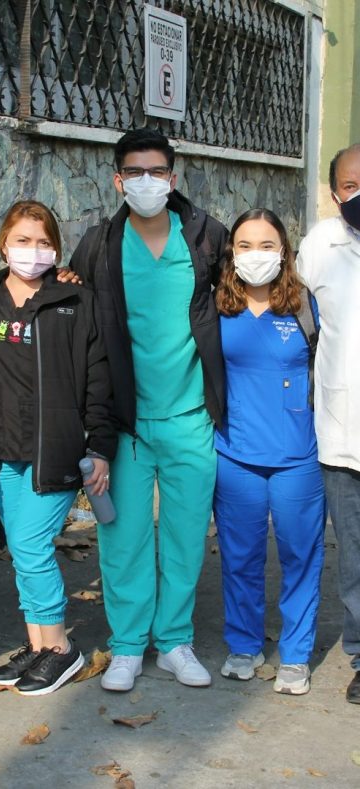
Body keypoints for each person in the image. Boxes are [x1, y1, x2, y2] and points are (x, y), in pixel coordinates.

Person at [69, 128, 228, 692]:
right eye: (133, 172)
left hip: (190, 419)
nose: (145, 181)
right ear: (118, 180)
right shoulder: (98, 244)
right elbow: (77, 324)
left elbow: (232, 308)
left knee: (185, 536)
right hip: (124, 427)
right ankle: (129, 646)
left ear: (172, 178)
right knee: (124, 536)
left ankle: (175, 642)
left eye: (156, 172)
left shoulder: (206, 238)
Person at [0, 200, 117, 694]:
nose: (33, 251)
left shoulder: (75, 301)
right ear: (3, 243)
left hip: (56, 448)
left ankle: (61, 651)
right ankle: (37, 641)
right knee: (22, 550)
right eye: (23, 241)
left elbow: (98, 380)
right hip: (0, 448)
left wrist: (101, 448)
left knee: (29, 546)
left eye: (44, 241)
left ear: (57, 249)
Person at [213, 209, 325, 695]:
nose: (255, 255)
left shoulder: (305, 306)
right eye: (244, 245)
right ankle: (243, 645)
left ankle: (296, 655)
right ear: (231, 253)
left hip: (298, 457)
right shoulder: (216, 306)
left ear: (284, 251)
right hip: (235, 454)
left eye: (266, 245)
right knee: (240, 556)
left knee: (302, 555)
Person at [296, 143, 360, 704]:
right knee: (355, 554)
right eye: (350, 184)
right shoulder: (321, 245)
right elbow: (293, 305)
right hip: (344, 432)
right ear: (336, 192)